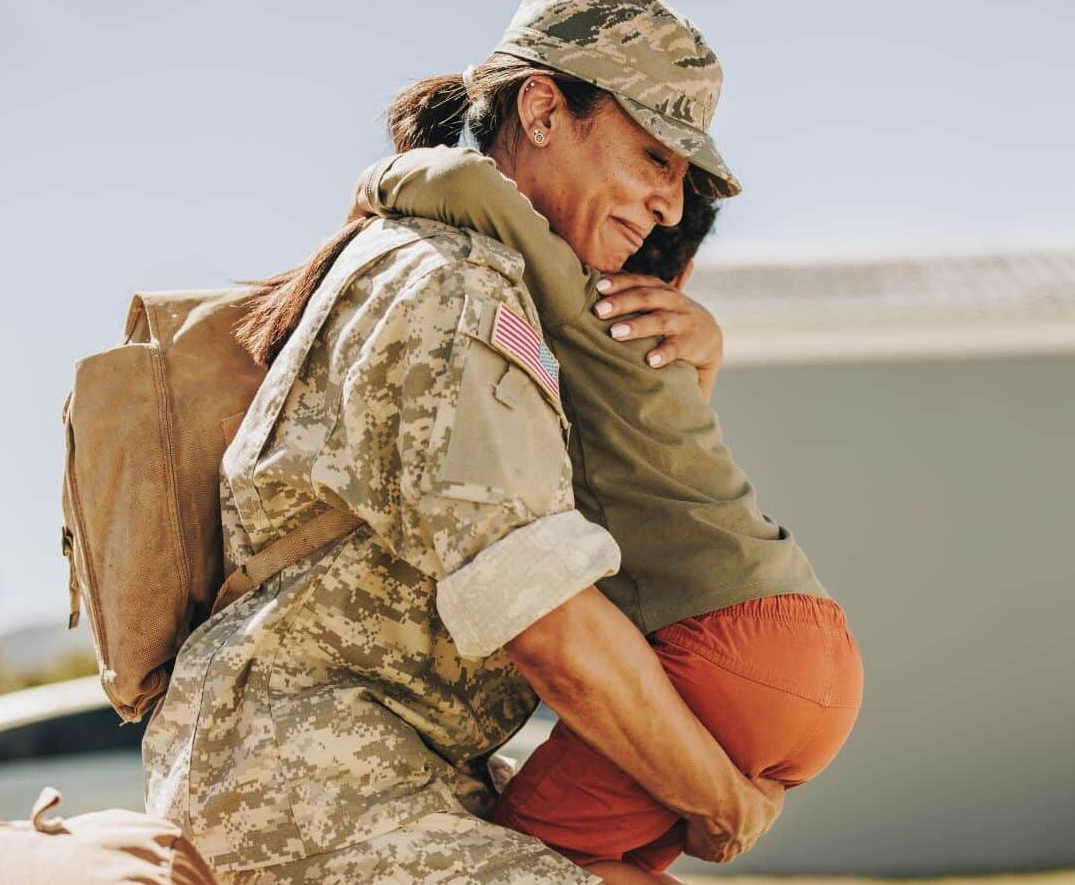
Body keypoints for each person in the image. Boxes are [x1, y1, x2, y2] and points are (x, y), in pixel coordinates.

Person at [141, 1, 795, 882]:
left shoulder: (472, 275)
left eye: (682, 173)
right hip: (307, 798)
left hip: (390, 780)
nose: (668, 201)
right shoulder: (455, 288)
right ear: (541, 110)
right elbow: (548, 621)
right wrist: (720, 797)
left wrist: (684, 372)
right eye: (653, 155)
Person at [350, 141, 863, 877]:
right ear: (681, 278)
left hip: (721, 648)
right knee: (611, 860)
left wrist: (371, 187)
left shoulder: (587, 302)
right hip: (817, 654)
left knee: (527, 863)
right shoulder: (670, 357)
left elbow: (461, 180)